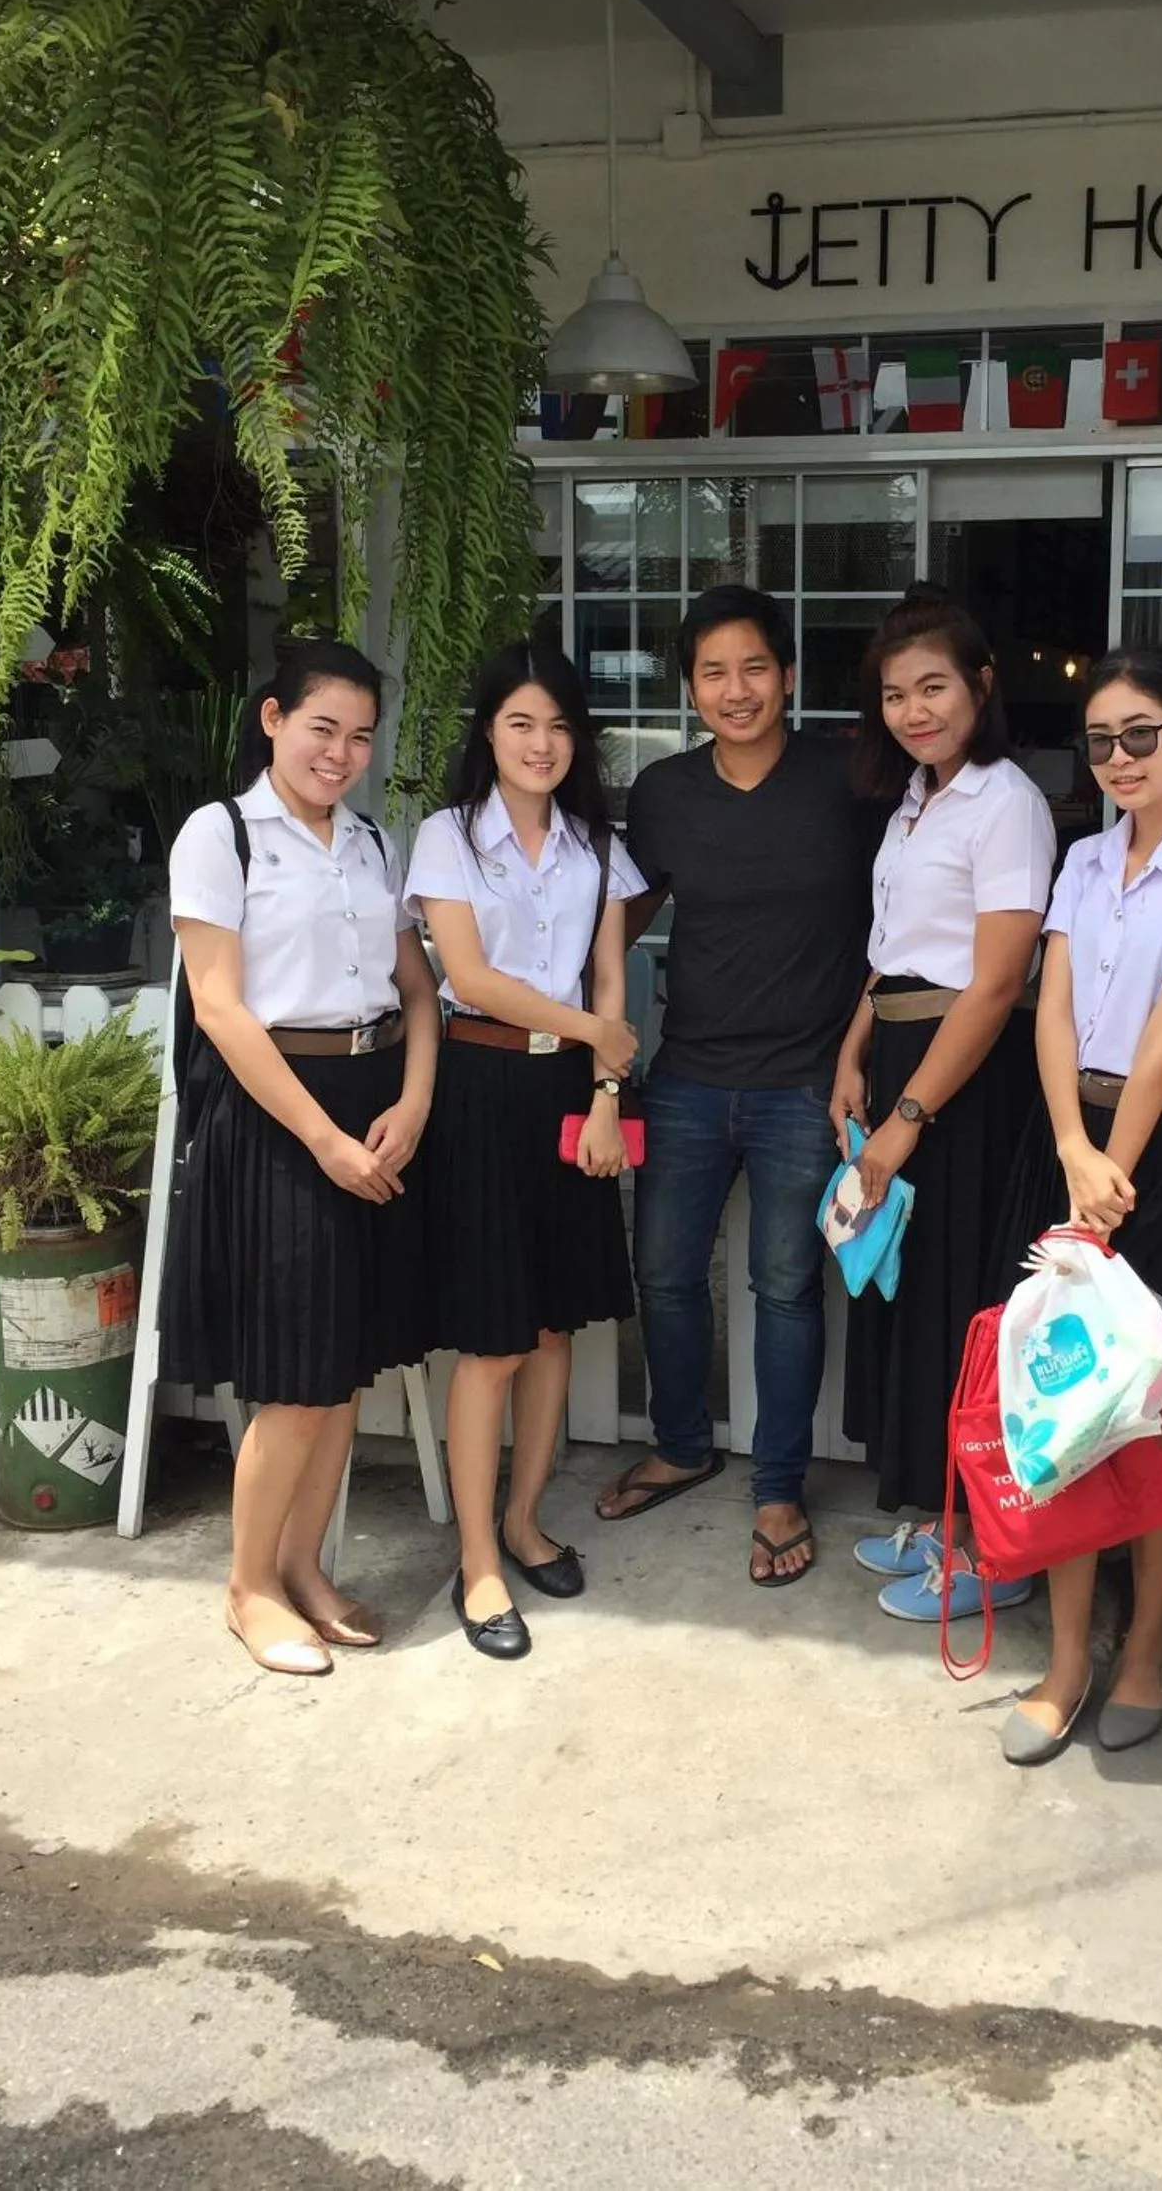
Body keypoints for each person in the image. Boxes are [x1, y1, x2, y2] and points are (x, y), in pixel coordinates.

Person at [994, 646, 1162, 1766]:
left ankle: (1145, 1643)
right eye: (1100, 740)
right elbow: (1052, 1011)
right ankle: (1066, 1658)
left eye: (1140, 733)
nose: (1119, 759)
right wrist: (1070, 1148)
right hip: (1067, 1150)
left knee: (1154, 1419)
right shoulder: (1080, 862)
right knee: (1060, 1410)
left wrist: (1109, 1175)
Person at [162, 642, 440, 1678]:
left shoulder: (370, 840)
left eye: (362, 735)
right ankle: (248, 1586)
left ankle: (305, 1568)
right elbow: (221, 1007)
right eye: (324, 727)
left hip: (374, 1102)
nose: (343, 752)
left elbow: (416, 987)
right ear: (273, 717)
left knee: (345, 1364)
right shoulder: (221, 834)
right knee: (297, 1375)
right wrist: (319, 1136)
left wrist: (411, 1100)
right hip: (282, 1114)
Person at [594, 584, 879, 1586]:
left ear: (788, 674)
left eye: (754, 666)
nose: (736, 689)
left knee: (786, 1287)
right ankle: (681, 1441)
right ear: (689, 687)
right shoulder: (666, 792)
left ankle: (778, 1485)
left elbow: (903, 913)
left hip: (805, 1082)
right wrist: (554, 995)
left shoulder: (849, 776)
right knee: (665, 1271)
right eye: (713, 672)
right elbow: (618, 918)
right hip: (689, 1075)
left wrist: (860, 1047)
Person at [406, 639, 643, 1661]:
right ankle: (477, 1560)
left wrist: (602, 1092)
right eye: (519, 722)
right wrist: (597, 1037)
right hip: (481, 1083)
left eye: (557, 725)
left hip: (567, 1091)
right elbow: (468, 972)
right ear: (488, 732)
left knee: (554, 1327)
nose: (541, 743)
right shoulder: (448, 838)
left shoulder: (598, 843)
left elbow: (610, 979)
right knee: (494, 1334)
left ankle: (523, 1517)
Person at [834, 586, 1054, 1625]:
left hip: (966, 1076)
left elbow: (997, 978)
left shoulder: (1004, 799)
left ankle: (995, 1548)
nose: (914, 709)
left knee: (970, 1304)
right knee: (915, 1299)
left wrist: (906, 1117)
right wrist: (853, 1052)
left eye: (933, 687)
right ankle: (941, 1515)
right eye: (894, 694)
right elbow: (894, 956)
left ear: (981, 685)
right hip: (902, 1052)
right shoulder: (918, 798)